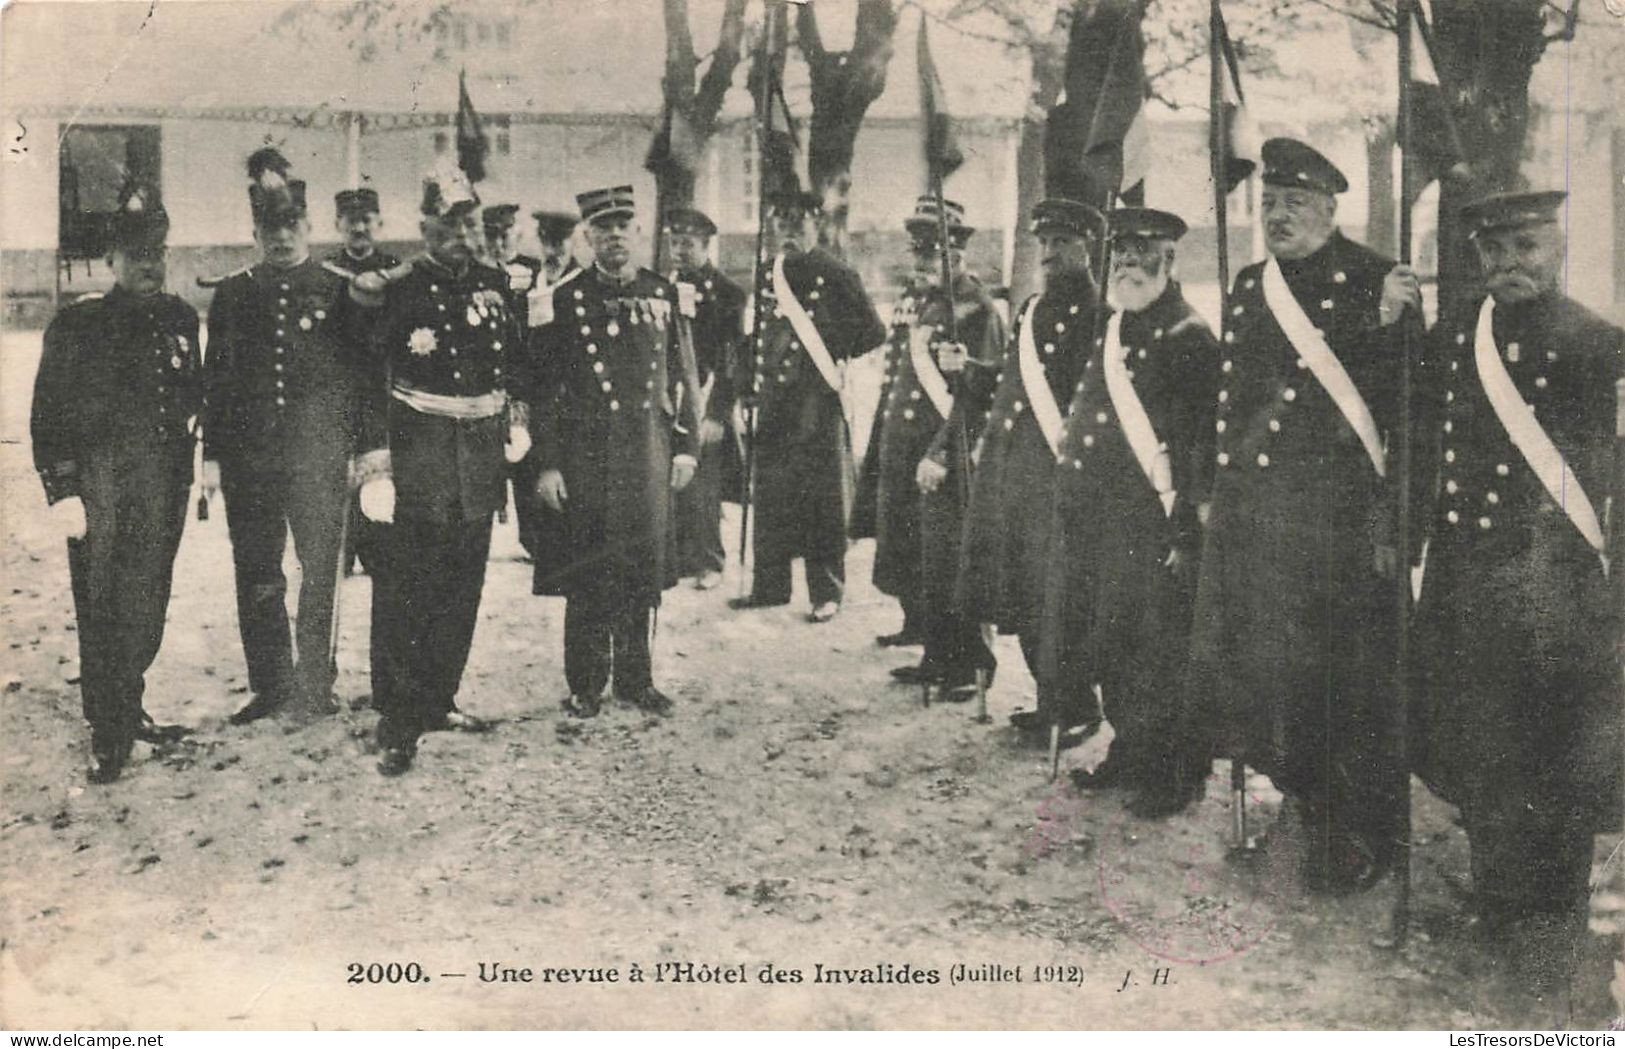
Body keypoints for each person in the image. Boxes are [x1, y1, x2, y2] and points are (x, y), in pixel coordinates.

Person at [1186, 138, 1416, 892]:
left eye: (1293, 202)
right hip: (1262, 520)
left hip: (1340, 524)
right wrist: (1216, 492)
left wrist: (1393, 524)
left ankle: (1362, 832)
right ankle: (1308, 806)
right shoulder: (1252, 284)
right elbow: (1233, 400)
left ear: (1328, 206)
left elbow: (1406, 413)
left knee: (1349, 682)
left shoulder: (1378, 280)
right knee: (1278, 675)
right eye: (1268, 202)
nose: (1276, 215)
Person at [1404, 190, 1623, 942]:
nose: (1510, 264)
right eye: (1493, 251)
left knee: (1553, 742)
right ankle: (1497, 895)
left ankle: (1553, 903)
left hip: (1554, 584)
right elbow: (1415, 419)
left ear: (1557, 246)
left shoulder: (1598, 342)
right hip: (1467, 575)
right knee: (1479, 736)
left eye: (1526, 246)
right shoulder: (1457, 332)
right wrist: (1394, 320)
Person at [351, 165, 527, 774]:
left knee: (462, 584)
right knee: (406, 588)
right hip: (418, 451)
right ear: (425, 226)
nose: (462, 232)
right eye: (449, 222)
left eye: (469, 221)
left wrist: (517, 423)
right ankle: (397, 718)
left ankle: (439, 699)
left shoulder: (499, 284)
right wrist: (376, 455)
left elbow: (517, 367)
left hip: (478, 455)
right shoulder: (399, 287)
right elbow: (369, 375)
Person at [1046, 207, 1218, 816]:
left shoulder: (1189, 334)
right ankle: (1131, 750)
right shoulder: (1111, 327)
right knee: (1113, 641)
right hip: (1101, 516)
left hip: (1153, 520)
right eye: (1119, 254)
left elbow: (1202, 442)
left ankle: (1178, 771)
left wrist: (1185, 529)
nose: (1127, 264)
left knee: (1160, 650)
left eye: (1143, 254)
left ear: (1170, 260)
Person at [31, 186, 200, 783]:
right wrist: (65, 490)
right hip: (103, 482)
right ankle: (109, 729)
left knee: (148, 598)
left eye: (155, 251)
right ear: (112, 261)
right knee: (103, 603)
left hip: (162, 478)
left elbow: (188, 398)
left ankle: (129, 707)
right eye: (134, 254)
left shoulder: (180, 318)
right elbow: (47, 417)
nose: (147, 263)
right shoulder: (79, 325)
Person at [202, 148, 364, 726]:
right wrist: (214, 457)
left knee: (320, 572)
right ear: (254, 231)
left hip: (317, 461)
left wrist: (360, 454)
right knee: (259, 572)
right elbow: (216, 383)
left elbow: (360, 379)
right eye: (269, 228)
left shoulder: (338, 288)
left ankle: (316, 683)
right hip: (251, 463)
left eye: (291, 225)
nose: (281, 237)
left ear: (309, 226)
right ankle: (271, 684)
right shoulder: (234, 294)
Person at [529, 184, 699, 717]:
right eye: (603, 228)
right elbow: (545, 390)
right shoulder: (563, 299)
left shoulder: (663, 294)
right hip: (586, 457)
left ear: (638, 231)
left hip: (647, 451)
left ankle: (635, 678)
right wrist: (549, 463)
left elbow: (683, 375)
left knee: (641, 570)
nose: (615, 236)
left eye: (623, 225)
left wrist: (686, 448)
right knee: (588, 570)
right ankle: (585, 682)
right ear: (588, 236)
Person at [955, 196, 1101, 746]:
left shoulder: (1099, 317)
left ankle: (1078, 706)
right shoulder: (1031, 310)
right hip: (1014, 471)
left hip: (1058, 477)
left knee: (1056, 592)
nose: (1049, 252)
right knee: (1022, 587)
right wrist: (968, 370)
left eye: (1062, 242)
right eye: (1044, 242)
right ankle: (1048, 700)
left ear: (1088, 247)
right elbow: (1008, 383)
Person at [858, 196, 1003, 692]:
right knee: (920, 557)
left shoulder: (975, 309)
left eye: (933, 252)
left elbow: (983, 394)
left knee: (953, 561)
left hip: (949, 450)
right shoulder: (923, 302)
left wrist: (942, 452)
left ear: (957, 253)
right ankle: (936, 654)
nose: (921, 261)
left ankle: (968, 666)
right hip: (909, 449)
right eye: (917, 251)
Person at [727, 188, 886, 622]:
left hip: (817, 402)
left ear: (816, 224)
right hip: (774, 401)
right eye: (782, 221)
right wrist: (745, 388)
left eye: (799, 222)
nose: (789, 230)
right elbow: (752, 338)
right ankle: (770, 585)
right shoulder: (768, 272)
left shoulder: (837, 274)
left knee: (822, 501)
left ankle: (826, 592)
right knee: (772, 494)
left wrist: (833, 351)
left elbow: (873, 332)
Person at [666, 206, 745, 590]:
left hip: (707, 396)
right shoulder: (661, 287)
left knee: (706, 482)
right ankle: (680, 557)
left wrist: (718, 414)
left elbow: (731, 362)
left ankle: (710, 561)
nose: (679, 251)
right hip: (671, 397)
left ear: (706, 245)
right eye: (674, 243)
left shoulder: (727, 294)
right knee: (674, 474)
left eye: (687, 244)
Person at [327, 187, 400, 580]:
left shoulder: (397, 271)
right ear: (337, 225)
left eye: (366, 219)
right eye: (351, 220)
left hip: (382, 393)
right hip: (338, 395)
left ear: (379, 223)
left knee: (380, 473)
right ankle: (344, 548)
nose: (359, 227)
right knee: (339, 473)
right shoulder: (325, 274)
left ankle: (378, 550)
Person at [482, 203, 546, 558]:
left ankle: (532, 536)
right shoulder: (476, 272)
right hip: (488, 376)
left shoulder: (532, 271)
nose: (499, 241)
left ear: (516, 235)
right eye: (492, 234)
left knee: (525, 456)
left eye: (505, 234)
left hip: (524, 374)